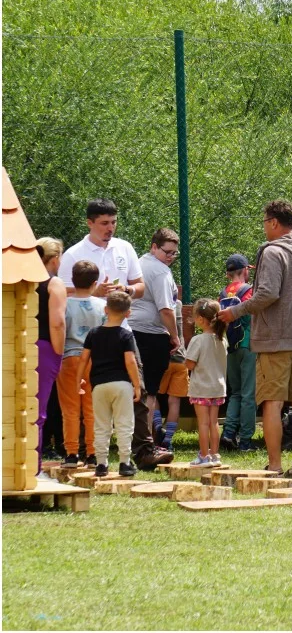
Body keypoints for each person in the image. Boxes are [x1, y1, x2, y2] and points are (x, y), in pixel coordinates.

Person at [58, 198, 172, 470]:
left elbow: (140, 286)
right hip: (91, 339)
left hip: (123, 332)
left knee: (137, 389)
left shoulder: (125, 247)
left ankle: (143, 451)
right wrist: (93, 294)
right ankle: (89, 453)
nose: (110, 228)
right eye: (104, 223)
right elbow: (61, 292)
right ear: (90, 223)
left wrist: (127, 292)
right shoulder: (73, 254)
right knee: (91, 399)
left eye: (113, 222)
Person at [217, 200, 292, 478]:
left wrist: (234, 312)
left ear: (274, 222)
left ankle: (274, 466)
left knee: (272, 403)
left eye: (264, 222)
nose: (264, 228)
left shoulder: (273, 252)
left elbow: (267, 294)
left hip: (276, 339)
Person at [128, 228, 181, 451]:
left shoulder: (140, 263)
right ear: (154, 247)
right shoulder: (160, 272)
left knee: (134, 391)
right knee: (149, 392)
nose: (170, 257)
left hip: (131, 331)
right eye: (167, 252)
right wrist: (175, 337)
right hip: (150, 335)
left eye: (174, 254)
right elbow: (166, 310)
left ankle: (134, 439)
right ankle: (146, 443)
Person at [79, 291, 140, 478]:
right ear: (128, 313)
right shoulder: (125, 335)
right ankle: (124, 462)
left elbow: (83, 359)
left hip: (98, 386)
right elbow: (130, 361)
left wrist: (78, 379)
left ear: (106, 310)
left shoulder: (93, 333)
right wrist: (137, 385)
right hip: (121, 384)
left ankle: (101, 464)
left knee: (101, 424)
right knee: (124, 423)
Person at [57, 261, 105, 468]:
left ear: (73, 281)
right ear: (95, 283)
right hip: (95, 360)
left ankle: (71, 453)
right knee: (92, 409)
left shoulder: (65, 304)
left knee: (70, 408)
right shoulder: (102, 305)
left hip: (69, 359)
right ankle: (93, 454)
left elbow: (59, 329)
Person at [34, 238, 67, 477]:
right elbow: (57, 323)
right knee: (37, 410)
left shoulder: (20, 282)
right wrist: (58, 354)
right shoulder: (54, 283)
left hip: (19, 346)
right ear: (55, 259)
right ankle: (32, 468)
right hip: (45, 348)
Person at [218, 254, 257, 451]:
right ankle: (246, 441)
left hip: (231, 347)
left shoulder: (223, 293)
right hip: (249, 345)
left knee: (236, 393)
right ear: (244, 271)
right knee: (249, 395)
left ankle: (227, 434)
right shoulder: (249, 291)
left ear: (228, 274)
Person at [185, 299, 228, 467]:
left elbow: (190, 364)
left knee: (202, 423)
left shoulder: (198, 340)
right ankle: (215, 455)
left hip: (201, 388)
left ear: (201, 319)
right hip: (218, 387)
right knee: (214, 422)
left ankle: (204, 456)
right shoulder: (222, 340)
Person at [156, 298, 190, 450]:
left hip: (163, 358)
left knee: (152, 395)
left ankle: (157, 429)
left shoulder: (158, 304)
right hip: (181, 358)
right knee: (174, 402)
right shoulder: (178, 303)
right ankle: (168, 440)